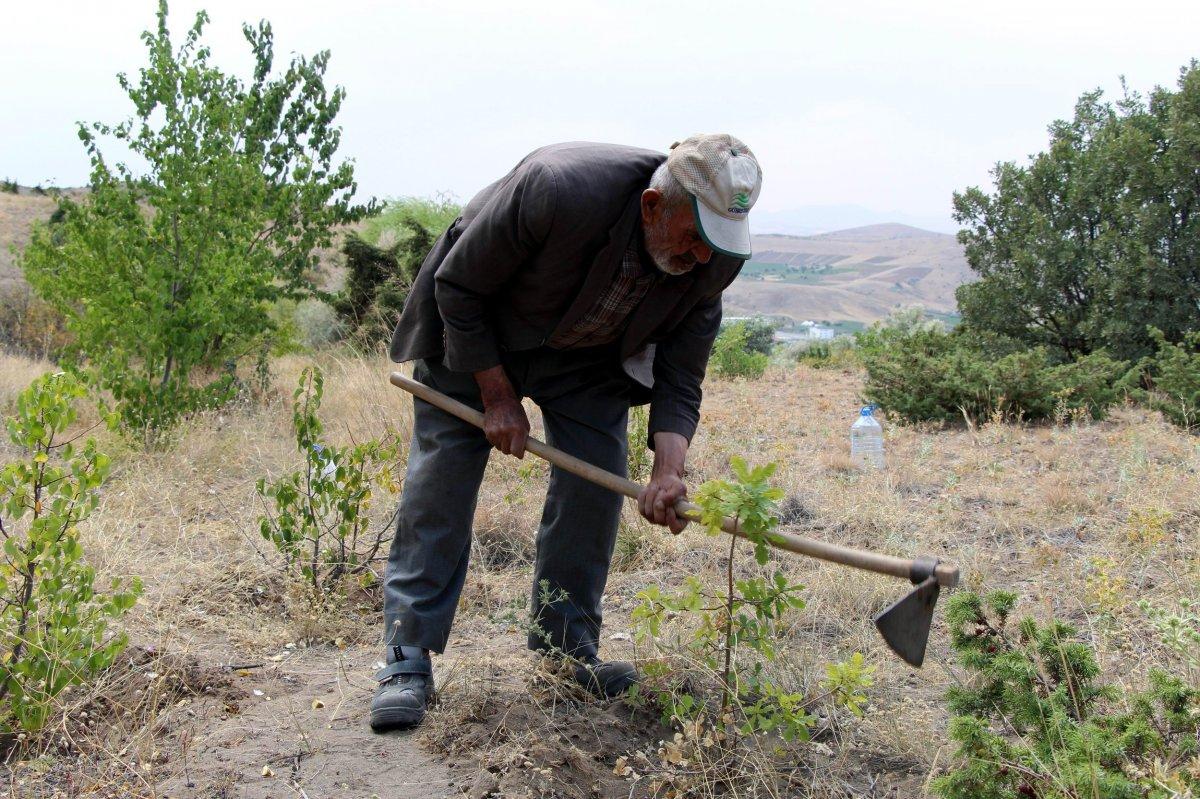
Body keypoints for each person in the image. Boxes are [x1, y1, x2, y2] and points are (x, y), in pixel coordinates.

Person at [371, 134, 763, 732]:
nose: (702, 258)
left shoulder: (715, 259)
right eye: (693, 238)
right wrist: (498, 397)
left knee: (598, 480)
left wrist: (668, 469)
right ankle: (407, 652)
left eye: (716, 244)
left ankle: (566, 650)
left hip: (585, 357)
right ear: (652, 206)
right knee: (441, 483)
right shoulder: (558, 187)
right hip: (474, 335)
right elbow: (460, 287)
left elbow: (681, 375)